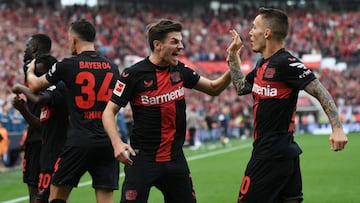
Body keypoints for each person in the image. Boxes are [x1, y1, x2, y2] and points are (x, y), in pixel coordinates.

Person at [102, 18, 233, 203]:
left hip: (175, 159)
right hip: (142, 160)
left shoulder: (179, 70)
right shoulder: (133, 74)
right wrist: (117, 143)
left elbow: (213, 88)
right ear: (157, 45)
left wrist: (233, 66)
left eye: (181, 41)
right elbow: (108, 111)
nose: (181, 46)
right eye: (175, 41)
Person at [226, 7, 348, 203]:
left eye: (254, 27)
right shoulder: (261, 65)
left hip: (269, 156)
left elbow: (320, 91)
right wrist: (233, 57)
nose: (249, 32)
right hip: (282, 154)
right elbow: (241, 87)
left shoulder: (286, 63)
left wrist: (337, 128)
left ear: (267, 33)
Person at [26, 19, 120, 203]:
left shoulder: (67, 64)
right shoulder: (112, 67)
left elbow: (35, 86)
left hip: (79, 141)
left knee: (56, 196)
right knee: (106, 199)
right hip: (106, 142)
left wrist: (30, 71)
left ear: (74, 39)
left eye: (69, 39)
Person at [12, 53, 68, 203]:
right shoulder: (49, 96)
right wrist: (23, 110)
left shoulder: (58, 88)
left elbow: (36, 97)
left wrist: (20, 87)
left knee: (44, 199)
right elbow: (43, 127)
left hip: (58, 153)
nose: (35, 78)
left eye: (39, 74)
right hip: (49, 153)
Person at [16, 33, 53, 203]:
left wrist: (19, 90)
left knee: (34, 191)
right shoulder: (56, 67)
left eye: (27, 46)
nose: (24, 50)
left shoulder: (32, 66)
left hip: (37, 137)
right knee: (55, 192)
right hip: (54, 139)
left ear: (34, 48)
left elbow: (36, 96)